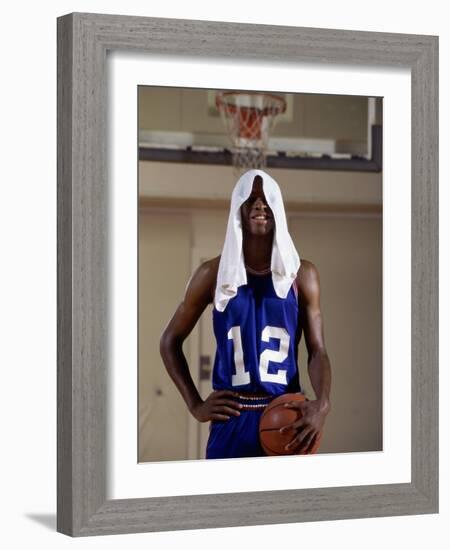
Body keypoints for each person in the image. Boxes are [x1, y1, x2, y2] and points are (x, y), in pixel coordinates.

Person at [160, 169, 331, 459]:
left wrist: (322, 404)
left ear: (278, 209)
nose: (260, 205)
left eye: (267, 200)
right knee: (225, 503)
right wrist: (195, 404)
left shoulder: (303, 276)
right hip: (233, 418)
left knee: (286, 505)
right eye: (250, 199)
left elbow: (318, 351)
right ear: (236, 209)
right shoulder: (210, 274)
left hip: (287, 415)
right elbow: (169, 342)